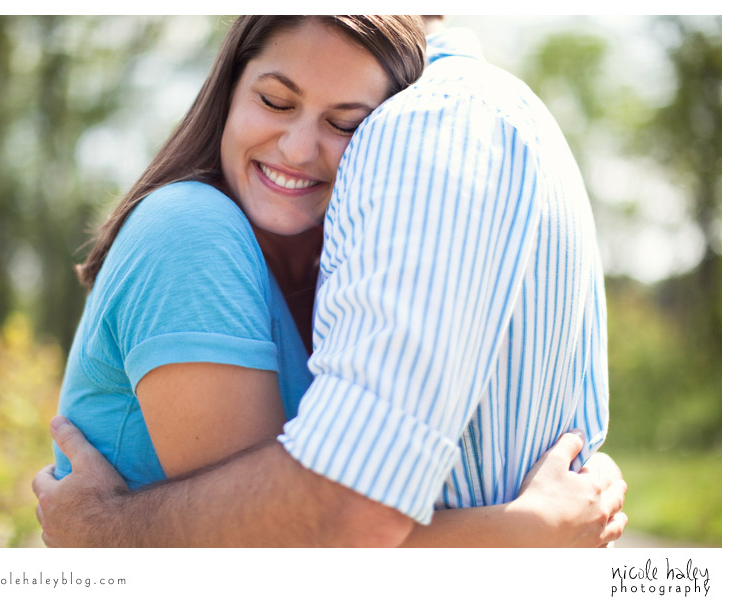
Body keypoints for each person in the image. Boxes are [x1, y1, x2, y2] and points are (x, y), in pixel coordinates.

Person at [34, 15, 627, 547]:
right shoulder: (191, 230)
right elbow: (274, 549)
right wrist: (526, 533)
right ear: (229, 92)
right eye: (275, 101)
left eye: (345, 124)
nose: (297, 148)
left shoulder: (333, 270)